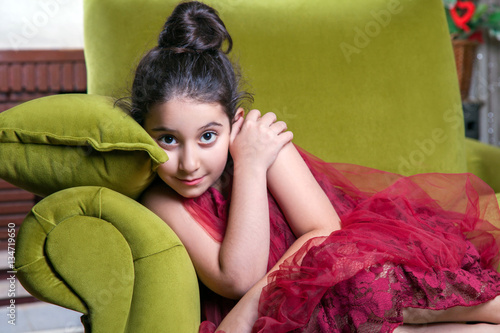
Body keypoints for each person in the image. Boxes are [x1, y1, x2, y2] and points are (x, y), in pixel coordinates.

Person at [124, 1, 500, 332]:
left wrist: (251, 162)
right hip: (307, 310)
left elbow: (324, 233)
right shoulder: (161, 199)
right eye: (168, 139)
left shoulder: (260, 144)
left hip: (337, 271)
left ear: (235, 124)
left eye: (208, 136)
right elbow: (237, 277)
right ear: (144, 133)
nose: (189, 163)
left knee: (367, 289)